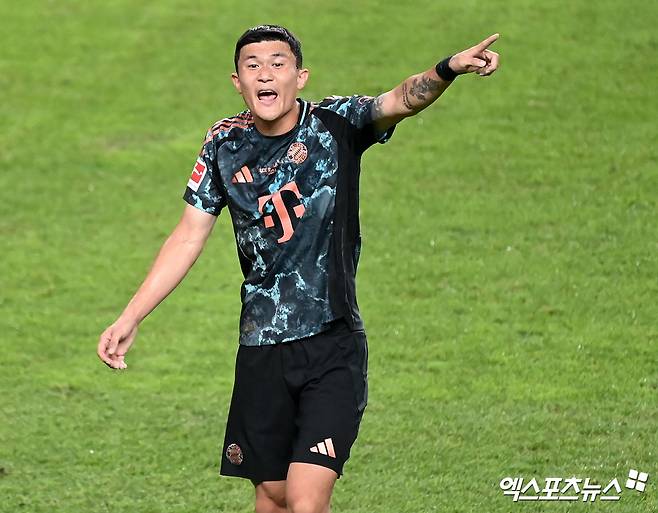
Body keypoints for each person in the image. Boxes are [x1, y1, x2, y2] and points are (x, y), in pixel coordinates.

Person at [97, 24, 499, 513]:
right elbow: (188, 234)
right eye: (253, 66)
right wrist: (131, 315)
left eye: (278, 64)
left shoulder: (335, 123)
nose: (265, 74)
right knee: (273, 495)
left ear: (300, 77)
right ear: (238, 82)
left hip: (332, 344)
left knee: (306, 501)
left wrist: (448, 68)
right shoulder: (223, 143)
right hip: (261, 347)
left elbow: (400, 99)